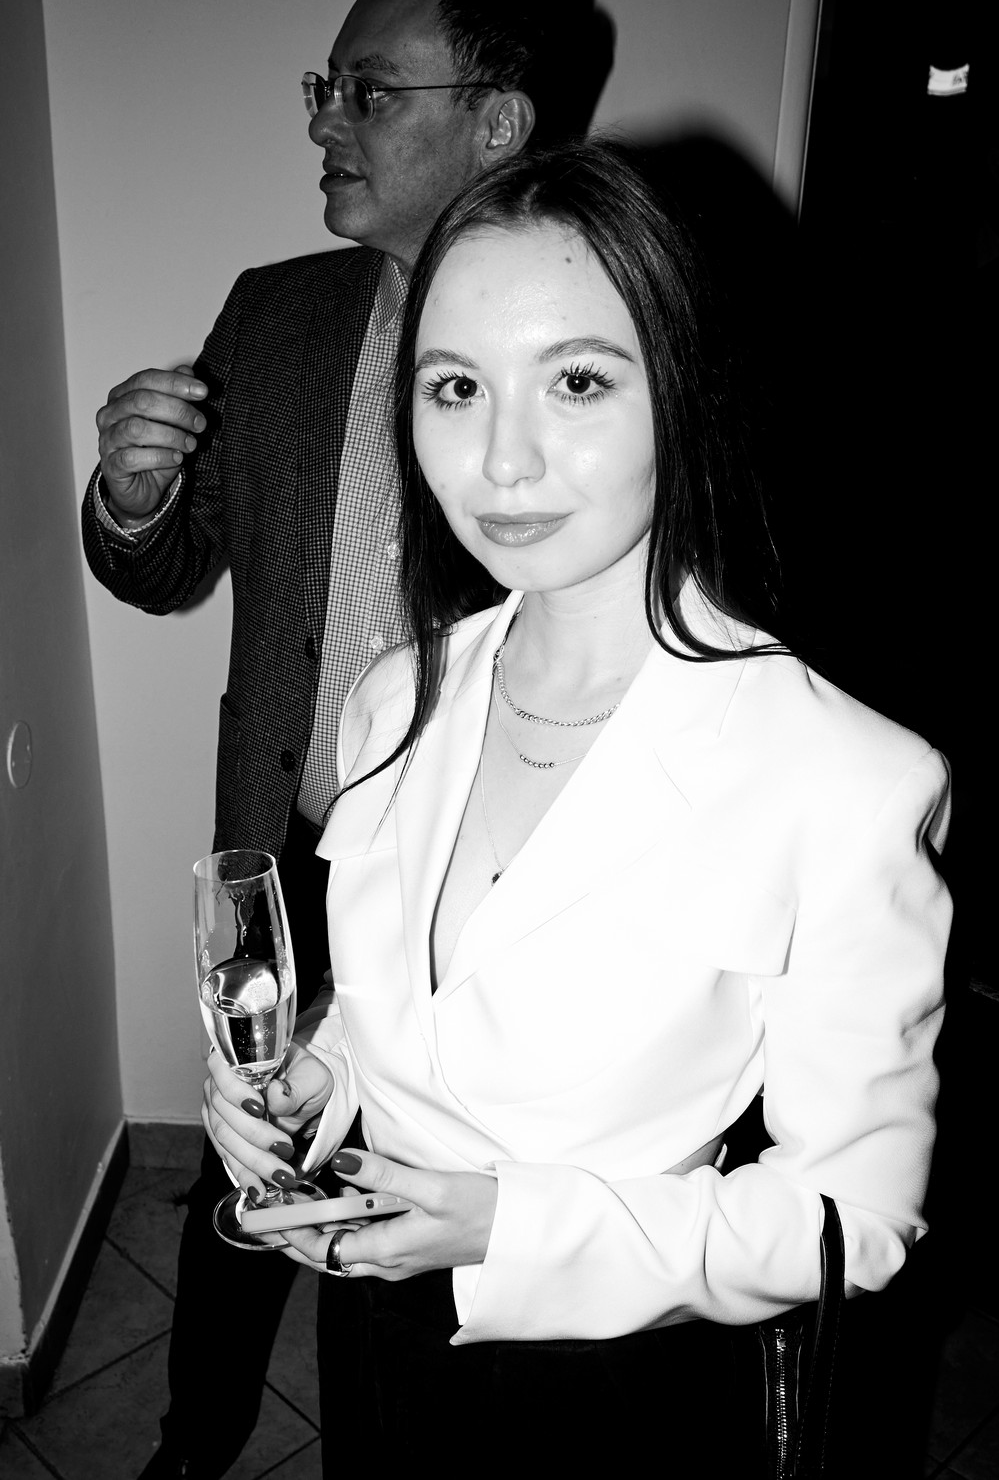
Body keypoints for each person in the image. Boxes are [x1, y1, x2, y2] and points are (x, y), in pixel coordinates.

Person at [203, 139, 953, 1472]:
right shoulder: (395, 695)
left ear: (684, 391)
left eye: (579, 381)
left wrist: (509, 1227)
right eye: (455, 388)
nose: (502, 461)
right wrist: (320, 1079)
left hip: (622, 1378)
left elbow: (856, 1223)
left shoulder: (844, 776)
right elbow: (417, 1011)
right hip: (378, 1328)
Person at [80, 0, 613, 1476]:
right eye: (324, 87)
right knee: (244, 1166)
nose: (326, 122)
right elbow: (164, 568)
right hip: (284, 844)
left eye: (370, 93)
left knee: (426, 1181)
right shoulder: (275, 311)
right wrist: (133, 495)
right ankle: (196, 1442)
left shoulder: (596, 324)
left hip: (482, 877)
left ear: (497, 122)